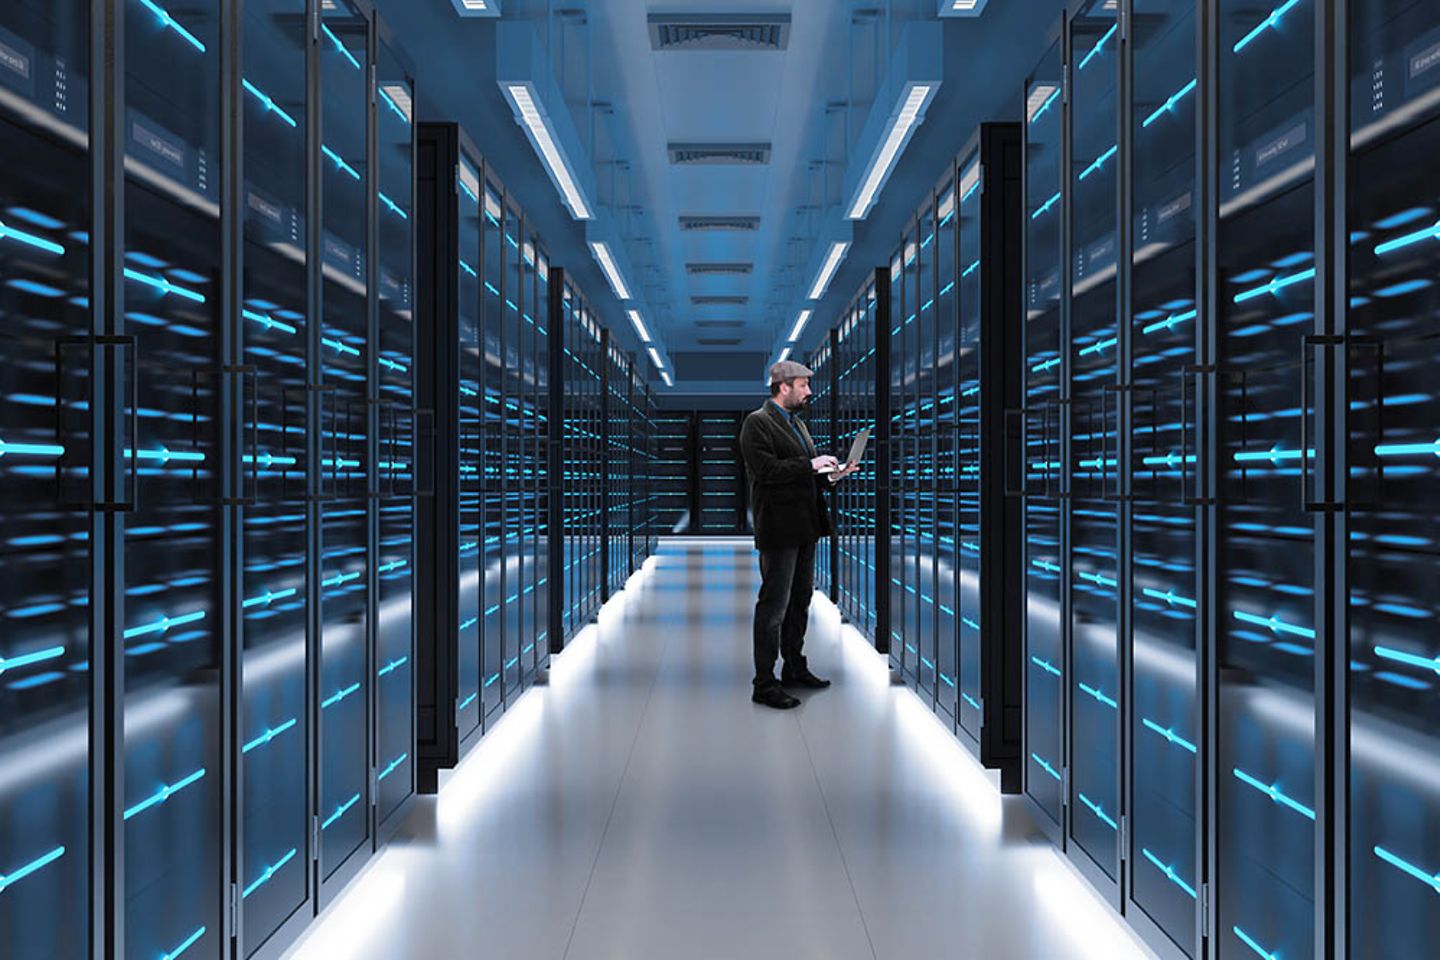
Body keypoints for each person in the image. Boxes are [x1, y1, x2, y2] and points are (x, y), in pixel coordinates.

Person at [738, 360, 859, 709]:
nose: (809, 391)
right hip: (779, 528)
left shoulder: (798, 425)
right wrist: (810, 464)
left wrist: (836, 474)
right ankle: (764, 683)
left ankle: (794, 667)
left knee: (800, 601)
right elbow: (767, 471)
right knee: (774, 605)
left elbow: (807, 477)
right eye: (804, 385)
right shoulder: (756, 423)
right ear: (784, 386)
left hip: (806, 525)